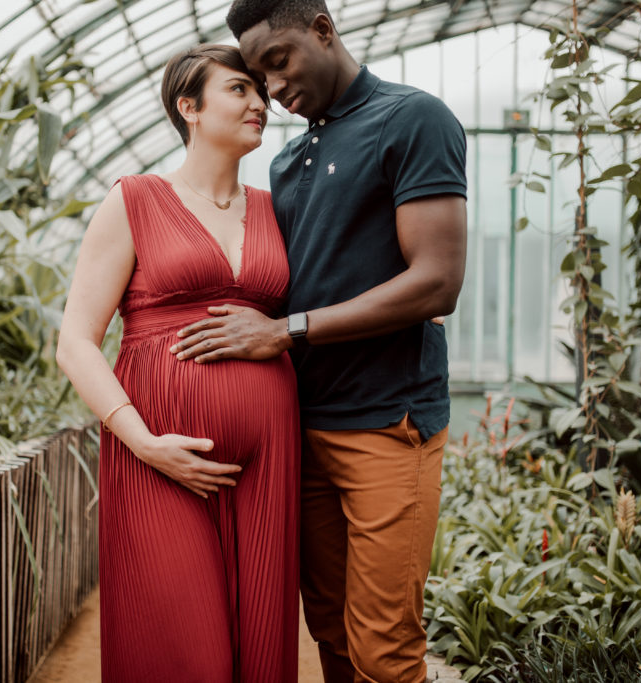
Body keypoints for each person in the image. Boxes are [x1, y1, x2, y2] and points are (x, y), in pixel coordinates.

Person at [170, 3, 468, 681]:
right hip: (301, 433)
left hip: (386, 421)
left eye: (278, 62)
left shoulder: (411, 119)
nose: (270, 88)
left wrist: (286, 331)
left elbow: (437, 283)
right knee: (330, 631)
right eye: (255, 76)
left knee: (385, 649)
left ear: (323, 32)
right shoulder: (288, 159)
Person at [55, 45, 299, 683]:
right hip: (159, 455)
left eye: (261, 92)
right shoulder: (135, 200)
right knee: (190, 658)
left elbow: (307, 316)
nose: (260, 103)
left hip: (269, 458)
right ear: (188, 107)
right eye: (240, 90)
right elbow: (76, 341)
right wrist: (143, 443)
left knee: (261, 650)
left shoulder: (278, 210)